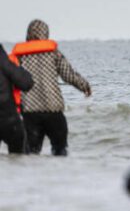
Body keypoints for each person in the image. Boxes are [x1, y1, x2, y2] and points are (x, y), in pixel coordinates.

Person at [10, 19, 92, 156]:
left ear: (28, 35)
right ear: (45, 34)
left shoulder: (20, 56)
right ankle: (59, 174)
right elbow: (68, 75)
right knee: (60, 151)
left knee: (31, 153)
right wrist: (85, 86)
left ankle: (30, 176)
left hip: (30, 112)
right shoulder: (53, 53)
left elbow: (11, 78)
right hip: (53, 110)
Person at [0, 44, 34, 154]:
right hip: (9, 121)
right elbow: (26, 83)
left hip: (9, 120)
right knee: (18, 158)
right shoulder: (5, 63)